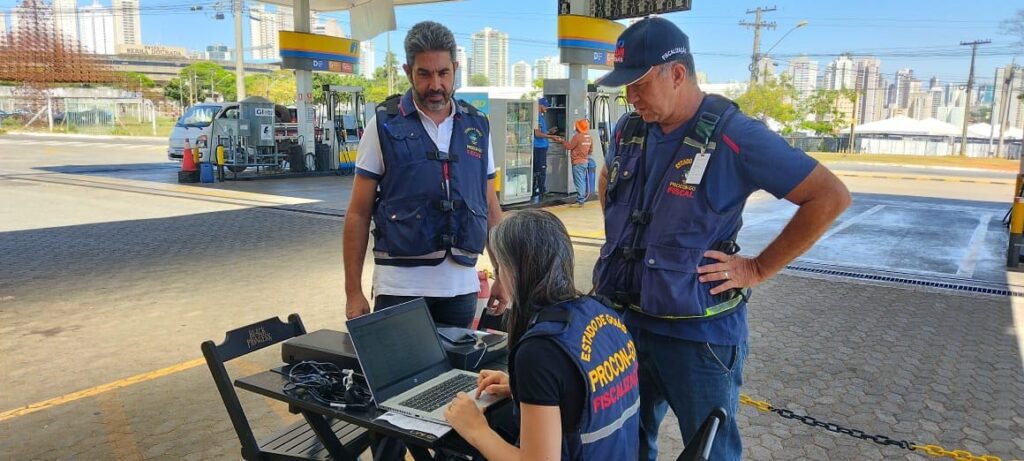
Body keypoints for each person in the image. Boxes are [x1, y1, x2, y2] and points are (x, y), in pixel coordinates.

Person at [592, 17, 851, 460]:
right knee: (621, 445)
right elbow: (607, 180)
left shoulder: (735, 134)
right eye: (624, 87)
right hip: (623, 325)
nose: (630, 97)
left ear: (676, 73)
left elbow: (829, 196)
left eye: (639, 84)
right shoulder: (629, 129)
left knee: (710, 453)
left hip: (700, 338)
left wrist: (757, 268)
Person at [444, 210, 640, 460]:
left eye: (500, 267)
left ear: (514, 270)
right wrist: (523, 390)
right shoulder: (602, 313)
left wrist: (476, 429)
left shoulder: (539, 352)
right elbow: (585, 399)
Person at [532, 98, 560, 204]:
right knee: (540, 170)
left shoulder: (541, 117)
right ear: (539, 105)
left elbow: (542, 132)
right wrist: (550, 137)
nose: (547, 108)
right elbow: (537, 134)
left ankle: (541, 189)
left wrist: (549, 132)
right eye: (545, 106)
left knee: (542, 169)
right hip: (538, 147)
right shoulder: (536, 118)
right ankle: (540, 191)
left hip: (543, 146)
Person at [563, 119, 594, 207]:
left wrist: (562, 141)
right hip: (585, 162)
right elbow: (591, 150)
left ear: (578, 127)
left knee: (579, 182)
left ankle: (581, 200)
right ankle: (581, 198)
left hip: (577, 162)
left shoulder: (577, 137)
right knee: (582, 181)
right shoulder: (589, 137)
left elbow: (569, 146)